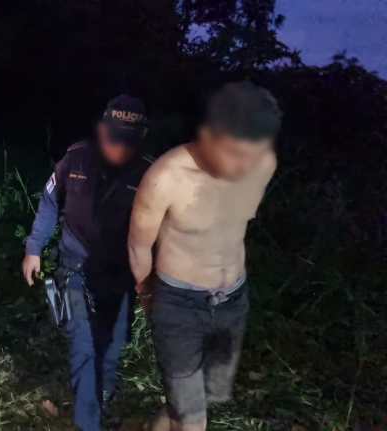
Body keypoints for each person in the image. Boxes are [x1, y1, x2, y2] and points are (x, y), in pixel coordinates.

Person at [127, 82, 281, 431]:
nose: (245, 166)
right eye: (235, 153)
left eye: (254, 154)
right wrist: (149, 296)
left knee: (207, 395)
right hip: (179, 304)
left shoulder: (264, 164)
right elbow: (138, 247)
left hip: (233, 300)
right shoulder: (166, 179)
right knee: (193, 417)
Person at [22, 95, 150, 431]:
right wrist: (34, 248)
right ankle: (87, 421)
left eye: (127, 140)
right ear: (102, 129)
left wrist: (149, 277)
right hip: (75, 269)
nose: (118, 147)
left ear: (141, 137)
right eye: (113, 137)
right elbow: (50, 202)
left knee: (114, 343)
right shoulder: (75, 158)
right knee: (84, 345)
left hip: (120, 274)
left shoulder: (150, 174)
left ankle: (102, 394)